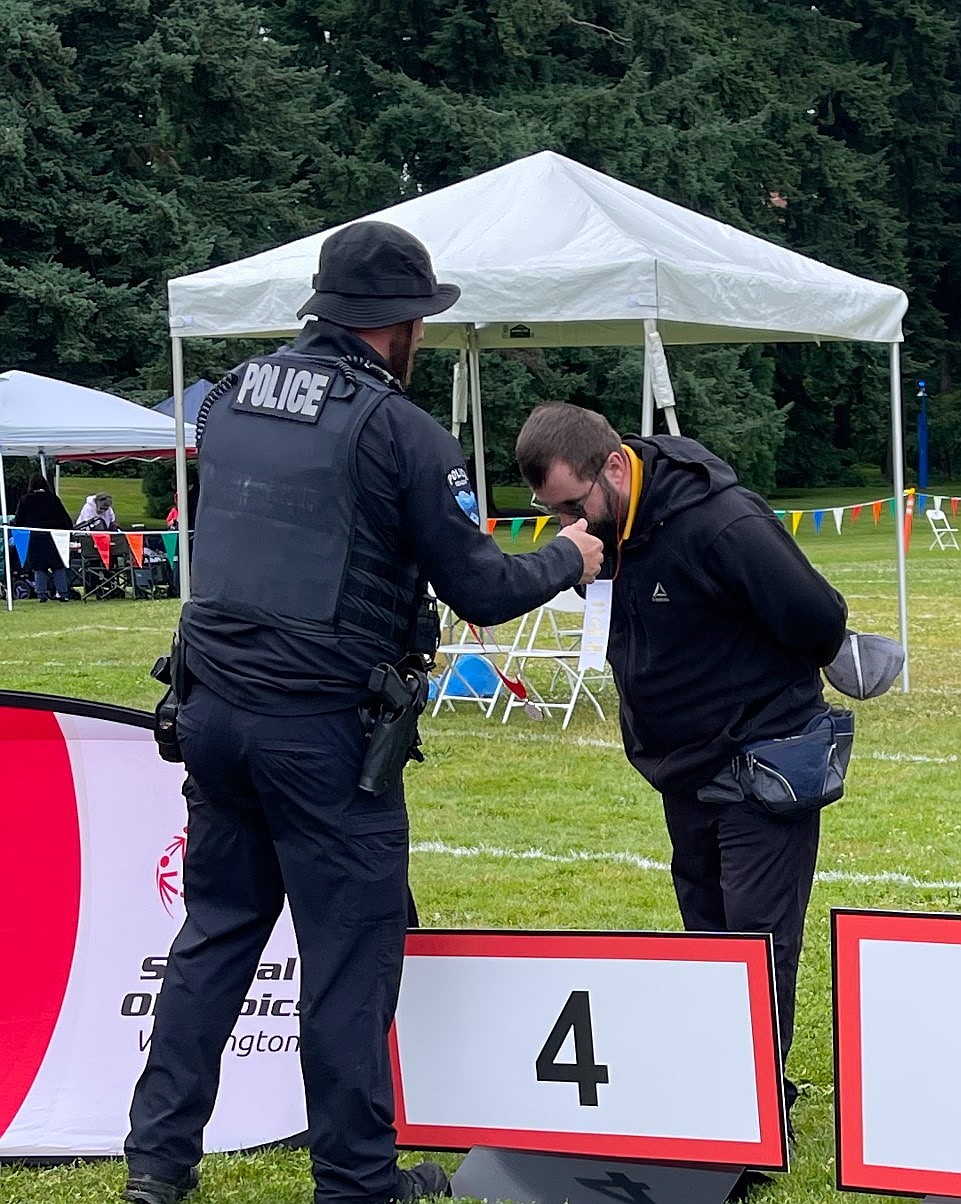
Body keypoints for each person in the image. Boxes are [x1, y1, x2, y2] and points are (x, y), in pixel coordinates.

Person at [122, 222, 603, 1204]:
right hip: (322, 734)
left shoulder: (230, 397)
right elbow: (479, 587)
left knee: (214, 937)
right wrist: (570, 556)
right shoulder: (399, 430)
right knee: (347, 961)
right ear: (401, 325)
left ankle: (157, 1165)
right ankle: (355, 1181)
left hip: (210, 708)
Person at [515, 402, 848, 1133]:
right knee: (707, 934)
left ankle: (753, 1114)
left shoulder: (722, 521)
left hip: (763, 761)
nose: (567, 525)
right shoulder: (608, 529)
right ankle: (725, 1087)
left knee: (755, 940)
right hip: (683, 770)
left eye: (572, 506)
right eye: (552, 512)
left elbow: (819, 619)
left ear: (613, 466)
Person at [13, 473, 74, 601]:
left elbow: (19, 521)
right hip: (54, 536)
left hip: (35, 536)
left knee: (39, 566)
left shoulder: (25, 500)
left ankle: (41, 594)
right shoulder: (53, 499)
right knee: (58, 565)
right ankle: (63, 593)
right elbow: (65, 519)